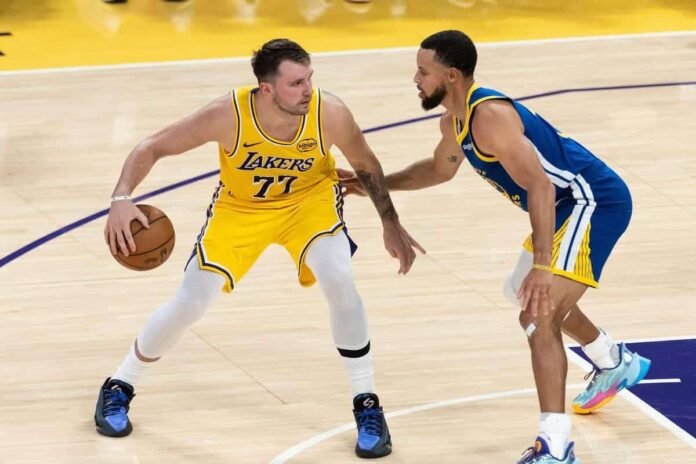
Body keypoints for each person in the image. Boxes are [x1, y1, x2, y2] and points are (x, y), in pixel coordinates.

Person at [96, 38, 424, 459]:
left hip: (309, 203)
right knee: (191, 302)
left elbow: (366, 163)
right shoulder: (227, 114)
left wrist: (390, 222)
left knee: (339, 278)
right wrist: (121, 198)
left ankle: (367, 403)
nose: (308, 90)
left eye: (309, 78)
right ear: (266, 89)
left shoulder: (329, 112)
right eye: (296, 83)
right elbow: (152, 146)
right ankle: (119, 384)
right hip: (241, 209)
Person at [340, 30, 651, 463]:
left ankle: (555, 448)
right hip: (563, 206)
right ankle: (612, 360)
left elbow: (540, 186)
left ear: (451, 75)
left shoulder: (488, 116)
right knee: (523, 293)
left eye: (423, 71)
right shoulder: (455, 120)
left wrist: (543, 264)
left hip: (592, 202)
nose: (415, 79)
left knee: (537, 313)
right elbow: (438, 170)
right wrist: (374, 185)